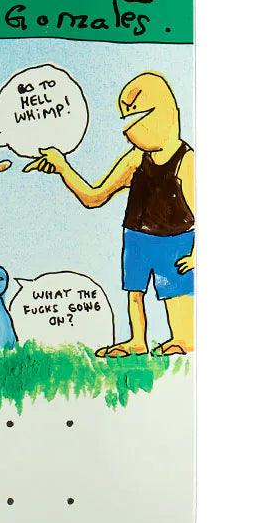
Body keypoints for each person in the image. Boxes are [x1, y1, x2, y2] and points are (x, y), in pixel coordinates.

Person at [24, 72, 194, 356]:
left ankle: (184, 338)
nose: (130, 130)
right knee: (135, 292)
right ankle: (137, 340)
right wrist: (63, 168)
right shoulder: (135, 159)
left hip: (175, 240)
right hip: (137, 237)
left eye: (140, 116)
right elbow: (94, 197)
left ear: (167, 113)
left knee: (175, 291)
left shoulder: (187, 161)